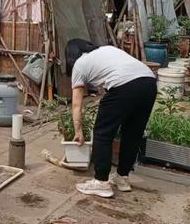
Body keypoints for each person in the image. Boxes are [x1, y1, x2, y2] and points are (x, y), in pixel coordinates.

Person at [66, 39, 157, 198]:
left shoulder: (79, 65)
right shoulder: (106, 50)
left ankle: (101, 182)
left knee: (102, 133)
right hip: (149, 82)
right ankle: (122, 178)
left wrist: (78, 130)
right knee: (132, 135)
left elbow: (76, 105)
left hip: (124, 85)